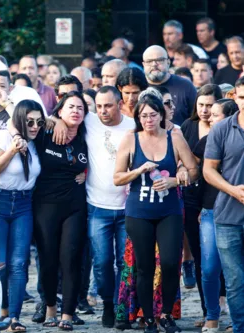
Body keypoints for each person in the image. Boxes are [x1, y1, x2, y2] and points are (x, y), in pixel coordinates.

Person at [113, 93, 198, 333]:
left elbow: (194, 171)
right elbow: (117, 177)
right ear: (138, 117)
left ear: (162, 114)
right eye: (143, 115)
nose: (148, 119)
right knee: (144, 267)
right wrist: (138, 170)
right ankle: (148, 317)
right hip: (139, 211)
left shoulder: (175, 137)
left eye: (153, 114)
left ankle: (167, 314)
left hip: (168, 211)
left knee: (171, 263)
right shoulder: (131, 139)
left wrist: (175, 180)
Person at [30, 91, 89, 331]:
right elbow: (21, 118)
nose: (76, 111)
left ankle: (67, 313)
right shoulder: (45, 134)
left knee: (71, 259)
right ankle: (51, 308)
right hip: (45, 206)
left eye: (80, 108)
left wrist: (86, 173)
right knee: (48, 260)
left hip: (75, 206)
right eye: (70, 107)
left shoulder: (87, 136)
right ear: (60, 111)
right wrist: (51, 120)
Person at [0, 100, 45, 332]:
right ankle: (0, 312)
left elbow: (55, 121)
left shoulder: (36, 141)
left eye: (39, 122)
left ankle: (14, 317)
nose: (35, 126)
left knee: (19, 263)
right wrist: (13, 149)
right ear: (20, 120)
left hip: (24, 203)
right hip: (0, 199)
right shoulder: (4, 137)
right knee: (0, 262)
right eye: (30, 121)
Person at [85, 86, 135, 328]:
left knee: (125, 263)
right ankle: (107, 303)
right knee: (102, 261)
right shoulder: (89, 121)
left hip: (128, 208)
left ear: (119, 104)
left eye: (108, 105)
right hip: (97, 207)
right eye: (99, 105)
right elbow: (60, 114)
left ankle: (121, 307)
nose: (103, 110)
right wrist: (56, 121)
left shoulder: (133, 126)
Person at [203, 76, 244, 333]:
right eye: (242, 98)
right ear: (235, 98)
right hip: (228, 217)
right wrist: (233, 190)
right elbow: (208, 170)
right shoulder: (220, 129)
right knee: (235, 281)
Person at [193, 98, 238, 333]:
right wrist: (181, 169)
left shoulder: (237, 138)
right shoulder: (206, 140)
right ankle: (212, 315)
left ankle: (237, 320)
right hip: (211, 211)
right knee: (210, 268)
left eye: (216, 114)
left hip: (237, 209)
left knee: (235, 272)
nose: (210, 117)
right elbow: (192, 167)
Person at [181, 84, 222, 321]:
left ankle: (221, 303)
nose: (205, 110)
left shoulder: (223, 128)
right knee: (199, 257)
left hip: (214, 199)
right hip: (191, 199)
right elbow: (182, 159)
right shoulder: (188, 126)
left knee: (219, 256)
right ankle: (208, 310)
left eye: (209, 105)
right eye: (201, 105)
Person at [143, 45, 197, 125]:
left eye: (159, 60)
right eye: (149, 61)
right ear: (143, 64)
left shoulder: (186, 86)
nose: (154, 64)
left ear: (168, 62)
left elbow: (196, 120)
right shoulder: (137, 87)